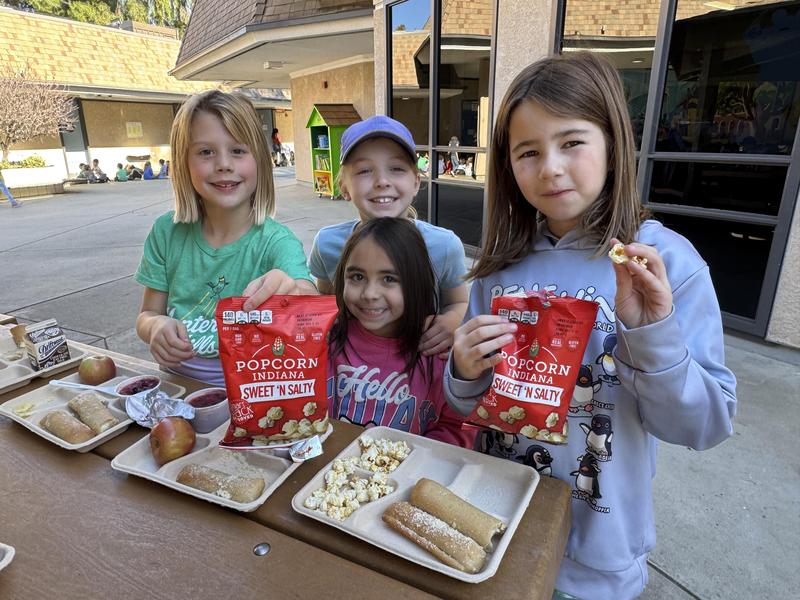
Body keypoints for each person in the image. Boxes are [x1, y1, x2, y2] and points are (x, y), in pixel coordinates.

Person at [444, 52, 737, 600]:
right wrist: (463, 371)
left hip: (598, 558)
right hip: (493, 526)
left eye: (572, 142)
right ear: (508, 167)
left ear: (612, 144)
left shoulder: (663, 263)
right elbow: (471, 407)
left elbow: (704, 426)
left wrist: (653, 335)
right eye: (528, 152)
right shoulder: (499, 266)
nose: (551, 167)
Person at [134, 90, 317, 385]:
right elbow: (147, 314)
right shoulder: (166, 233)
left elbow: (307, 296)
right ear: (184, 163)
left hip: (253, 391)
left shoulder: (277, 242)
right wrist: (155, 326)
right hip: (178, 385)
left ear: (259, 160)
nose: (224, 164)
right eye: (206, 152)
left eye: (238, 150)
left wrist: (292, 293)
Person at [308, 115, 469, 357]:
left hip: (421, 374)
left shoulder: (444, 246)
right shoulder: (328, 244)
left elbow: (460, 302)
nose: (382, 181)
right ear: (343, 187)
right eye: (364, 170)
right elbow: (327, 300)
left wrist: (453, 320)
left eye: (396, 168)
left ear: (416, 182)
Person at [329, 217, 474, 447]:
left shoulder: (438, 351)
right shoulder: (325, 341)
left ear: (416, 283)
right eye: (357, 277)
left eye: (388, 279)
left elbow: (456, 427)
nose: (370, 293)